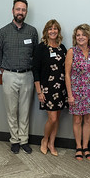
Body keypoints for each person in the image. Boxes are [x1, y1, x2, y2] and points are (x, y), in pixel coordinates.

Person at [0, 0, 39, 154]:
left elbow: (35, 54)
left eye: (23, 10)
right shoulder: (3, 32)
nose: (21, 12)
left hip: (27, 75)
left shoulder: (32, 31)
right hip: (9, 76)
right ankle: (14, 140)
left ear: (26, 12)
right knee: (11, 110)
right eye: (18, 9)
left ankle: (24, 140)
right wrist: (6, 72)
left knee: (25, 111)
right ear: (12, 10)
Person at [32, 19, 67, 156]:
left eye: (55, 28)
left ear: (58, 31)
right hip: (47, 88)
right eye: (50, 29)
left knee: (57, 118)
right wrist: (39, 91)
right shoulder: (41, 48)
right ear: (46, 31)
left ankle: (52, 143)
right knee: (52, 118)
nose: (53, 31)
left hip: (60, 88)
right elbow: (35, 70)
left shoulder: (61, 48)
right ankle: (44, 140)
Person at [65, 24, 90, 161]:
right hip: (76, 92)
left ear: (89, 36)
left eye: (83, 35)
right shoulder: (72, 51)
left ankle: (86, 147)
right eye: (78, 35)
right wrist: (70, 95)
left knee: (89, 120)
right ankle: (78, 147)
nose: (80, 37)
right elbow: (67, 74)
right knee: (77, 120)